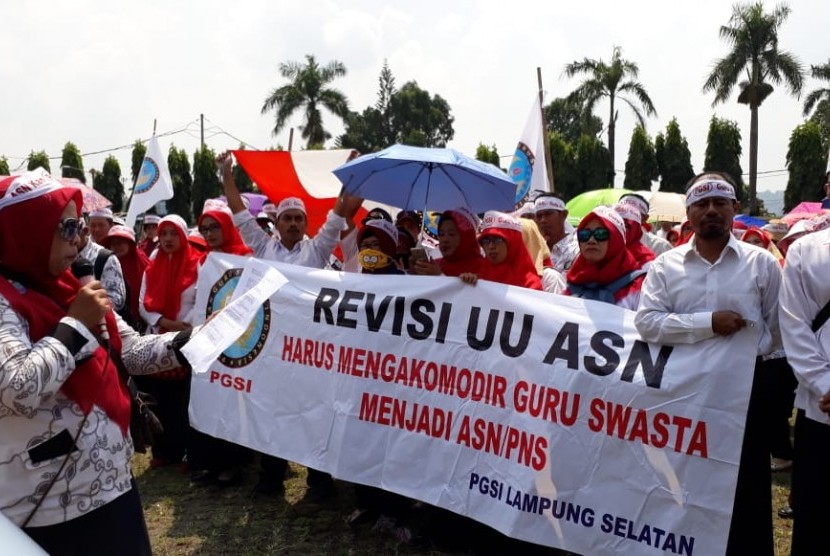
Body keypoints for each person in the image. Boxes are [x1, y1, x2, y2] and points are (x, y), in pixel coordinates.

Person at [0, 169, 196, 555]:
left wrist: (202, 339)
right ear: (25, 230)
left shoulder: (72, 287)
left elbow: (132, 352)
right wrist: (74, 324)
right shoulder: (6, 301)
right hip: (49, 514)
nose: (80, 238)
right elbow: (16, 389)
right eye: (67, 227)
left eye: (80, 225)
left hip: (112, 488)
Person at [635, 173, 782, 556]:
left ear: (735, 209)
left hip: (743, 395)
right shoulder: (666, 267)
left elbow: (778, 331)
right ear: (688, 213)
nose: (712, 211)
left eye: (720, 202)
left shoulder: (762, 265)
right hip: (682, 396)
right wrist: (708, 325)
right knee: (683, 478)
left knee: (746, 482)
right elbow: (647, 324)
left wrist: (742, 356)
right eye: (702, 204)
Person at [217, 150, 364, 499]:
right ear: (278, 223)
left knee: (314, 413)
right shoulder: (263, 248)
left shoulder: (316, 250)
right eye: (288, 218)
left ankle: (319, 481)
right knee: (272, 412)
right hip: (273, 348)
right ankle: (272, 477)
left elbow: (339, 213)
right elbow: (239, 215)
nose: (295, 223)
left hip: (310, 349)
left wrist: (351, 178)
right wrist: (227, 175)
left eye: (299, 218)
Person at [778, 222, 830, 553]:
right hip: (821, 408)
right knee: (817, 521)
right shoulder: (807, 250)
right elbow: (793, 325)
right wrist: (824, 383)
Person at [138, 215, 201, 469]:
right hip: (159, 338)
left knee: (183, 400)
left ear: (183, 236)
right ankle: (163, 451)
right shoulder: (152, 265)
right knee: (160, 398)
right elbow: (144, 303)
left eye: (173, 234)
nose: (167, 239)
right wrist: (165, 323)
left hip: (186, 339)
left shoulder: (197, 264)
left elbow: (200, 301)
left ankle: (186, 451)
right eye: (163, 234)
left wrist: (182, 327)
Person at [564, 206, 646, 309]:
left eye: (601, 234)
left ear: (617, 240)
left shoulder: (639, 286)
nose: (591, 240)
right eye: (585, 235)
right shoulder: (571, 281)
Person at [460, 211, 542, 290]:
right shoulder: (477, 278)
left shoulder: (531, 286)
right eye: (486, 240)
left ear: (513, 242)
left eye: (498, 239)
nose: (491, 246)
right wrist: (467, 284)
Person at [409, 208, 485, 278]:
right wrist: (415, 273)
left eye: (451, 234)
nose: (445, 239)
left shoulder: (484, 267)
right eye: (441, 234)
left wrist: (439, 275)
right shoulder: (435, 265)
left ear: (466, 238)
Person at [100, 225, 149, 332]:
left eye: (121, 242)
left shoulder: (142, 263)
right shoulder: (105, 264)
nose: (117, 246)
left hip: (141, 320)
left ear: (130, 244)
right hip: (113, 318)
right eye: (113, 243)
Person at [77, 216, 127, 314]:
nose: (71, 239)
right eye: (93, 225)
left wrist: (85, 308)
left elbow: (117, 300)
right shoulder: (60, 255)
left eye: (101, 225)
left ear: (85, 231)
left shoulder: (105, 257)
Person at [533, 194, 579, 272]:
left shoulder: (578, 249)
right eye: (539, 216)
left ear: (563, 215)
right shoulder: (533, 251)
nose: (543, 220)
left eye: (548, 214)